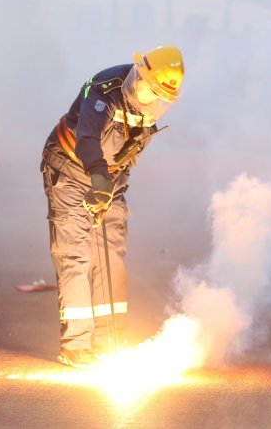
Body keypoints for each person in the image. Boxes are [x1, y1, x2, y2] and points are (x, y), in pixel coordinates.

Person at [40, 45, 184, 368]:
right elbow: (88, 139)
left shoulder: (153, 108)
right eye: (149, 87)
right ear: (139, 74)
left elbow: (126, 153)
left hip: (111, 180)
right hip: (71, 169)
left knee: (111, 256)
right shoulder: (105, 88)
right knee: (75, 253)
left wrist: (109, 188)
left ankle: (109, 340)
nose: (150, 97)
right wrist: (98, 183)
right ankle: (75, 345)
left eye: (159, 94)